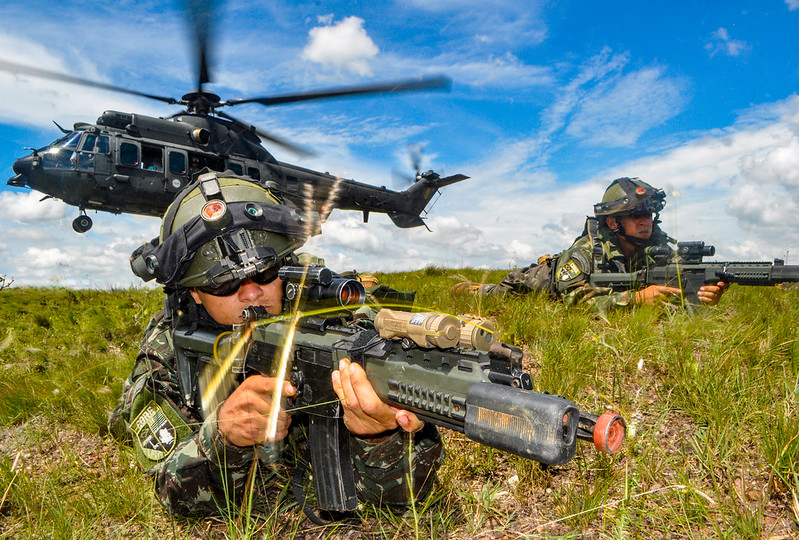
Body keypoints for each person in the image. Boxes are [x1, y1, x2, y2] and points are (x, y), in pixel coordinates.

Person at [109, 172, 443, 518]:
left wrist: (380, 436)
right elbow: (173, 494)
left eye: (267, 272)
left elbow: (407, 494)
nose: (252, 292)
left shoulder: (332, 313)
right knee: (124, 418)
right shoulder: (170, 345)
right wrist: (224, 438)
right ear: (194, 291)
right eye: (224, 283)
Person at [454, 177, 727, 312]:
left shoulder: (656, 246)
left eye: (649, 215)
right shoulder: (585, 251)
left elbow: (675, 284)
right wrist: (636, 299)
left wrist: (702, 293)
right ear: (613, 223)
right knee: (498, 296)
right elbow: (574, 301)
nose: (646, 222)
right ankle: (470, 288)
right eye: (636, 215)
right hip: (538, 285)